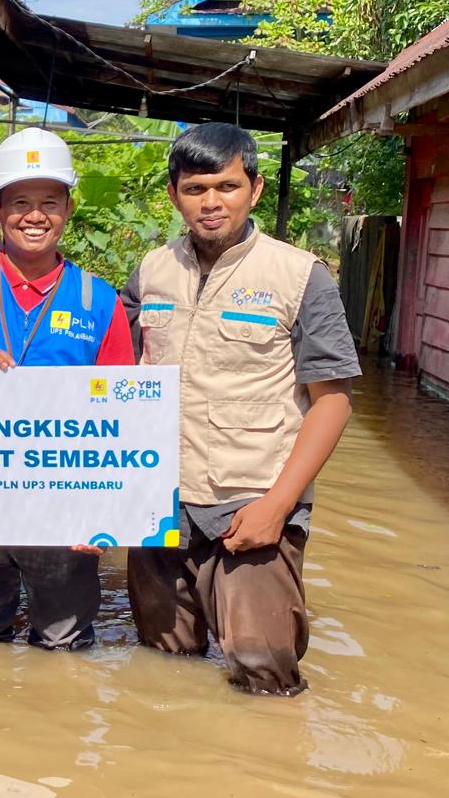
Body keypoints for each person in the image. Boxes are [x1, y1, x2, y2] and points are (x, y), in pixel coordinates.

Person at [121, 123, 359, 695]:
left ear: (253, 188)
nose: (210, 203)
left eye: (226, 186)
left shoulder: (300, 276)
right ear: (175, 193)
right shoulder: (150, 272)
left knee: (265, 673)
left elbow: (334, 403)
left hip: (251, 506)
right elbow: (110, 380)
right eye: (195, 187)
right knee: (162, 669)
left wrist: (277, 506)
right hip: (161, 505)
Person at [0, 128, 134, 649]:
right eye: (20, 203)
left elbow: (124, 415)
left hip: (63, 514)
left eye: (49, 203)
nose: (35, 216)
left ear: (69, 207)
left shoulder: (98, 301)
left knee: (64, 644)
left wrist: (107, 517)